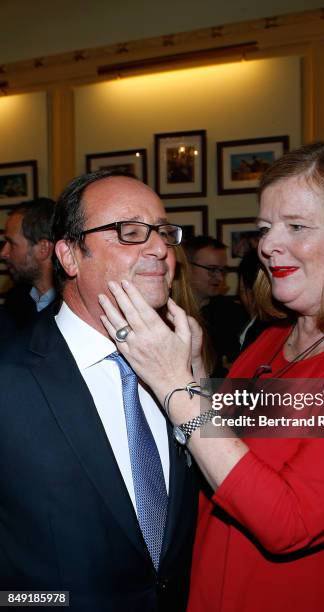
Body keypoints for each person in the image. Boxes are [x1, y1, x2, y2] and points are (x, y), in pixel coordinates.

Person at [99, 142, 324, 611]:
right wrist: (198, 376)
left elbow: (289, 521)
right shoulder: (270, 342)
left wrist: (174, 385)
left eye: (297, 227)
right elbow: (229, 451)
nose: (267, 245)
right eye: (265, 228)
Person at [0, 169, 199, 611]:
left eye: (164, 232)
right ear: (69, 257)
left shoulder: (185, 362)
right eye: (129, 232)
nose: (160, 249)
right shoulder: (9, 378)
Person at [184, 235, 246, 376]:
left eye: (222, 270)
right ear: (187, 267)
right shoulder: (166, 312)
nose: (219, 277)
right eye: (212, 269)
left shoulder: (235, 314)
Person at [0, 198, 57, 331]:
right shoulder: (14, 302)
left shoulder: (73, 309)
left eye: (11, 243)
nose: (3, 253)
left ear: (43, 249)